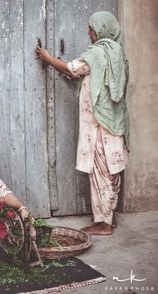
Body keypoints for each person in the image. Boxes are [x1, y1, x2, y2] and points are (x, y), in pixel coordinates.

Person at [36, 11, 130, 235]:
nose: (89, 33)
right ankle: (109, 216)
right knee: (111, 170)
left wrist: (47, 58)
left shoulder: (98, 53)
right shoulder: (117, 53)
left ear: (101, 30)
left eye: (92, 29)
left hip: (99, 123)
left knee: (100, 171)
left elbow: (73, 68)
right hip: (114, 121)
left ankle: (103, 224)